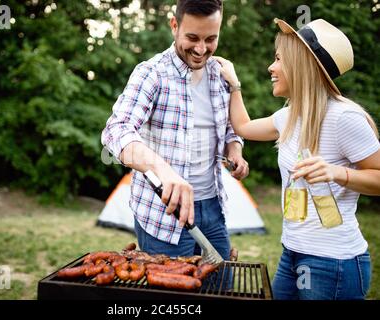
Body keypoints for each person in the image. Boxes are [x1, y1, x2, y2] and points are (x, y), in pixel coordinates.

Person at [216, 18, 380, 299]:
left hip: (333, 263)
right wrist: (234, 84)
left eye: (279, 59)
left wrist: (337, 173)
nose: (271, 67)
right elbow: (243, 127)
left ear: (301, 66)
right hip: (292, 253)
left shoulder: (345, 118)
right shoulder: (288, 117)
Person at [101, 0, 249, 260]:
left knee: (221, 288)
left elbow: (230, 131)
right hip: (162, 213)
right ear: (174, 26)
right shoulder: (152, 73)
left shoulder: (221, 75)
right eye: (192, 37)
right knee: (173, 298)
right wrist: (163, 169)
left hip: (213, 208)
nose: (201, 49)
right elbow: (116, 130)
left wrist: (235, 151)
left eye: (211, 39)